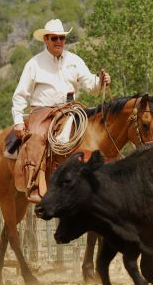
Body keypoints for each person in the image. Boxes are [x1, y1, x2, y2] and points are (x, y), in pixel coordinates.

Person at [12, 18, 111, 203]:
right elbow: (20, 95)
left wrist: (101, 82)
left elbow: (91, 85)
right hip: (42, 111)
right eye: (54, 38)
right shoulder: (34, 64)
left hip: (72, 109)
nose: (59, 42)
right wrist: (18, 120)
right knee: (36, 135)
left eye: (62, 38)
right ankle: (34, 183)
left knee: (94, 129)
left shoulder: (74, 60)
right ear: (46, 40)